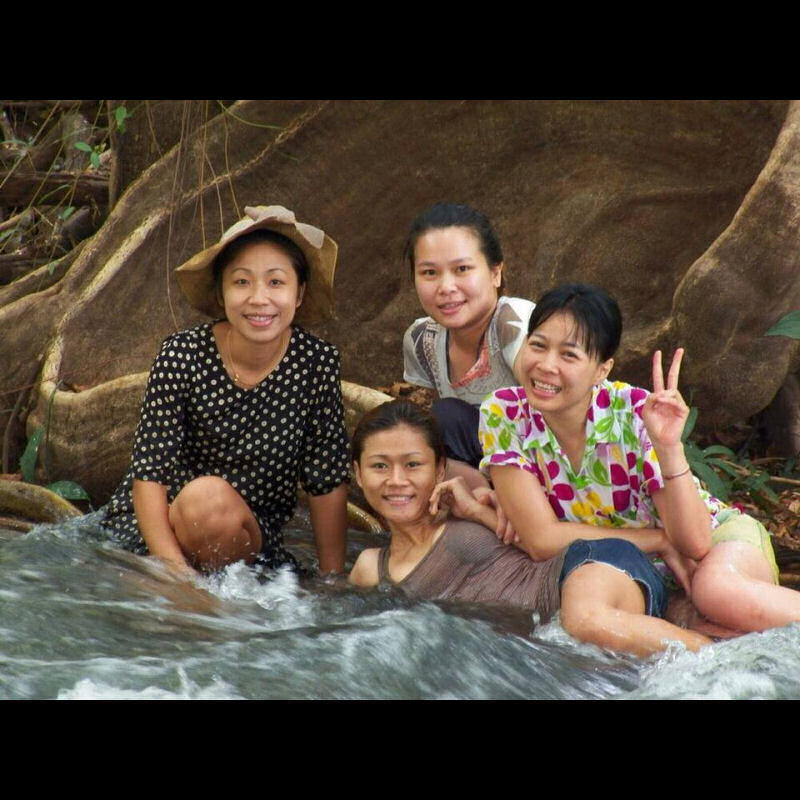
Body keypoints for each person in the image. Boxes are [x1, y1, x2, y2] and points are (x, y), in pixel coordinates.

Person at [480, 282, 799, 635]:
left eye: (568, 355)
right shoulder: (504, 414)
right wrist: (657, 540)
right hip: (637, 566)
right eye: (537, 345)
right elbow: (541, 540)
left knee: (715, 592)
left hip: (715, 543)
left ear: (602, 369)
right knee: (676, 627)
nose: (546, 365)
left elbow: (695, 543)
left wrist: (668, 448)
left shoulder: (633, 411)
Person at [99, 205, 350, 577]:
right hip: (156, 532)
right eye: (242, 282)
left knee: (211, 508)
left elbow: (325, 477)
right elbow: (149, 471)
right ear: (221, 293)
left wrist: (333, 581)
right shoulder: (182, 354)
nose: (259, 298)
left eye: (276, 282)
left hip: (247, 540)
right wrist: (176, 576)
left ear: (299, 294)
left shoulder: (316, 363)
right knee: (204, 503)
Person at [348, 400, 709, 657]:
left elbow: (540, 540)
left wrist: (477, 511)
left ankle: (723, 661)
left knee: (585, 622)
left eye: (413, 464)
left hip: (584, 570)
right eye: (379, 466)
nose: (397, 480)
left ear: (440, 469)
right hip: (541, 649)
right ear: (357, 473)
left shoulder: (466, 506)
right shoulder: (370, 568)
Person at [402, 203, 534, 484]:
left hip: (553, 472)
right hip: (484, 480)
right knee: (436, 423)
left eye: (462, 269)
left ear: (495, 272)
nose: (446, 287)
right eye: (429, 273)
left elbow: (561, 417)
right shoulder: (422, 338)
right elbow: (446, 435)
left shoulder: (514, 324)